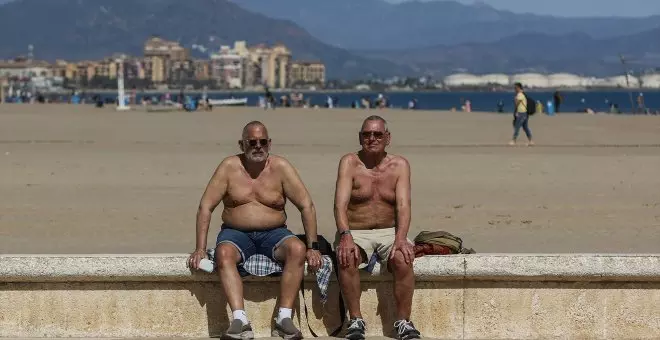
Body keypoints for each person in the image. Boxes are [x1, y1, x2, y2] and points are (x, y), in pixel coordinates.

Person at [188, 121, 322, 340]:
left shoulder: (281, 167)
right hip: (235, 233)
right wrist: (200, 249)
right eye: (252, 142)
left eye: (262, 142)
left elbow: (307, 205)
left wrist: (313, 247)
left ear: (269, 143)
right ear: (242, 144)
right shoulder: (229, 167)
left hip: (275, 233)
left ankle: (284, 318)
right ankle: (240, 320)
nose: (257, 146)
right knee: (223, 254)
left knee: (297, 249)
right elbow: (205, 206)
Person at [333, 115, 421, 340]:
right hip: (356, 230)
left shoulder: (399, 165)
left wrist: (401, 238)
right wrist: (345, 235)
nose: (371, 138)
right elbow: (340, 205)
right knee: (346, 257)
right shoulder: (349, 163)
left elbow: (403, 205)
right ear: (360, 137)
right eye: (366, 134)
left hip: (389, 231)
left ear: (387, 138)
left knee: (403, 259)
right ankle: (355, 320)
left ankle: (403, 322)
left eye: (377, 134)